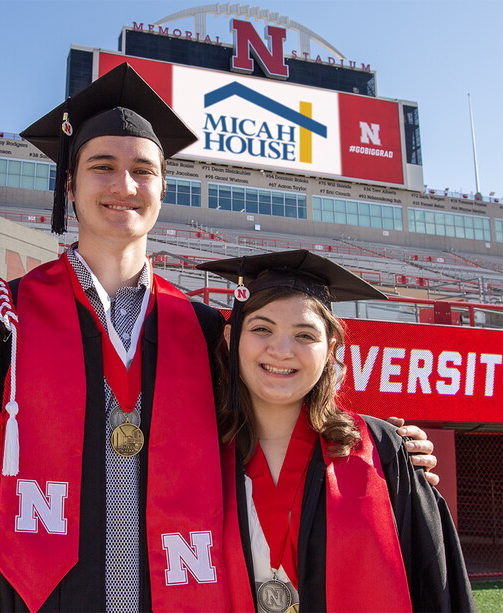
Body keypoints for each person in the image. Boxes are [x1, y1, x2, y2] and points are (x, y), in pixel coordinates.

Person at [0, 63, 438, 613]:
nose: (124, 186)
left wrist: (387, 451)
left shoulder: (203, 331)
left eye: (143, 170)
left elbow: (272, 432)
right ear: (69, 185)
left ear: (163, 190)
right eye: (102, 166)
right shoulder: (3, 322)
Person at [198, 250, 473, 612]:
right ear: (231, 338)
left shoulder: (383, 452)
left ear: (330, 350)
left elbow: (434, 585)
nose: (281, 350)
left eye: (304, 335)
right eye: (262, 328)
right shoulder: (200, 454)